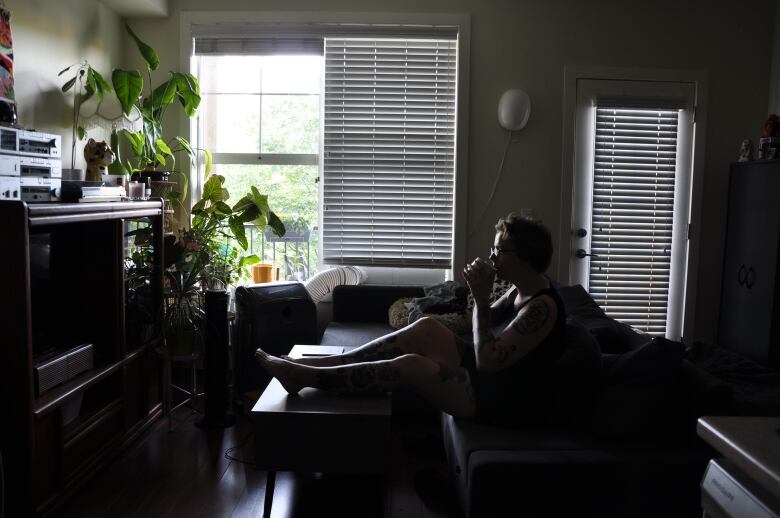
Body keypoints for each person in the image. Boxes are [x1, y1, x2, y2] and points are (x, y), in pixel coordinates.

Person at [255, 213, 566, 424]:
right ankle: (316, 365)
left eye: (500, 250)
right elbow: (476, 322)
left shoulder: (543, 308)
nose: (492, 255)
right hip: (491, 378)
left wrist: (482, 299)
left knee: (412, 366)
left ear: (524, 256)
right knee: (426, 328)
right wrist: (477, 296)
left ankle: (306, 378)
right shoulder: (518, 289)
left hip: (506, 401)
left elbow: (488, 361)